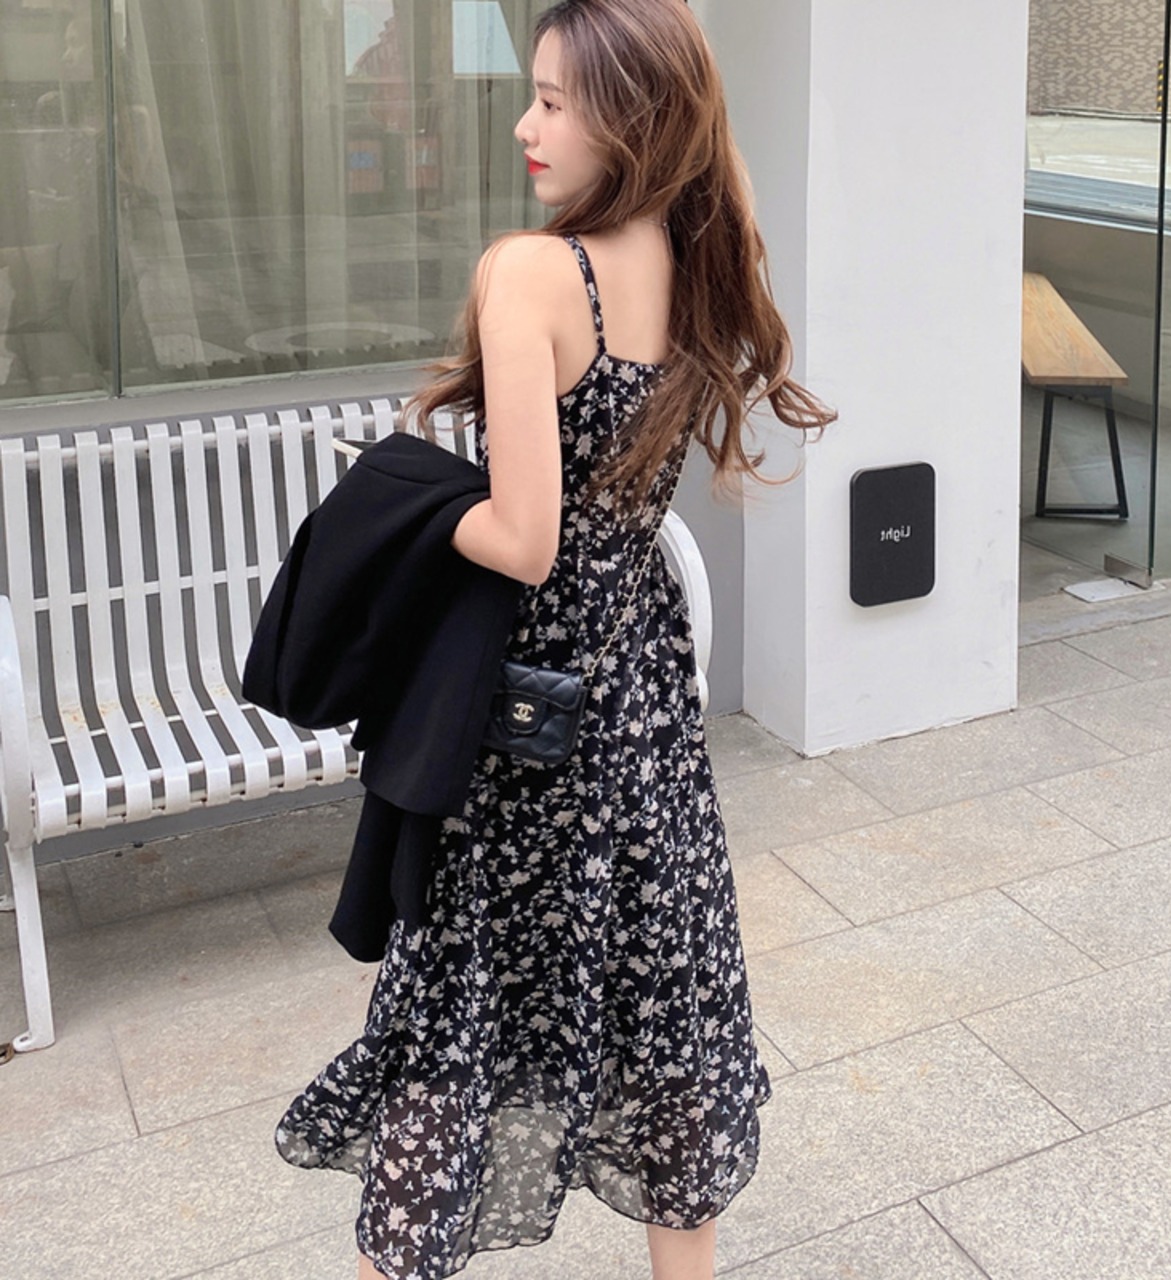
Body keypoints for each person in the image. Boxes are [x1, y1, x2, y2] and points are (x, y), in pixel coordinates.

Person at [273, 2, 836, 1278]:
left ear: (631, 117)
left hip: (522, 723)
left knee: (454, 1022)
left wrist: (404, 498)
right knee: (664, 1003)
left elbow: (524, 538)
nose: (525, 126)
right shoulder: (688, 259)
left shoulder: (531, 272)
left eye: (552, 102)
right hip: (641, 706)